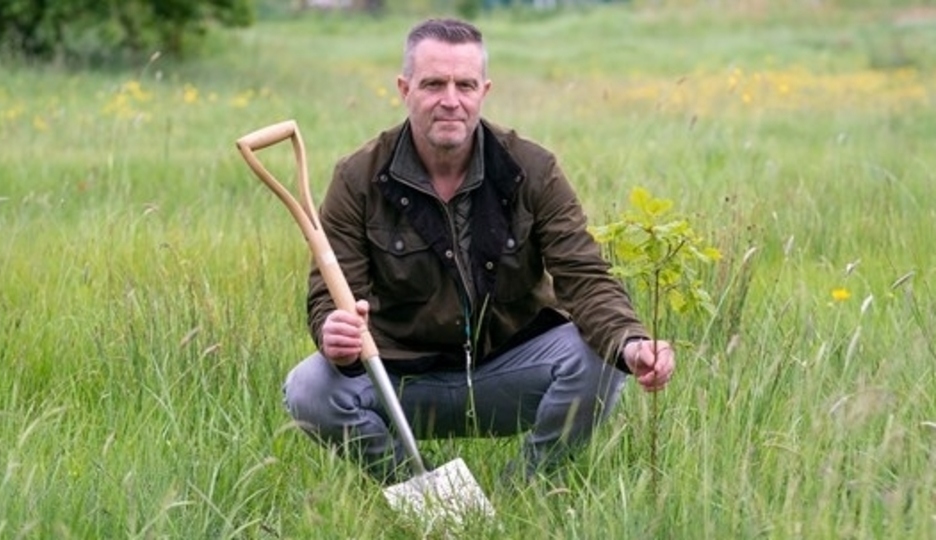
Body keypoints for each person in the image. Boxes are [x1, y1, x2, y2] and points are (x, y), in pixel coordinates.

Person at [283, 17, 675, 485]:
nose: (451, 100)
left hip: (507, 368)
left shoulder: (531, 169)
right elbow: (329, 295)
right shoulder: (358, 178)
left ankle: (520, 492)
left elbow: (584, 276)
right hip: (400, 377)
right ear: (404, 89)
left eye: (464, 84)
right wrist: (334, 333)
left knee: (603, 357)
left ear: (483, 90)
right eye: (433, 84)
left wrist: (631, 342)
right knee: (308, 389)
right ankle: (425, 493)